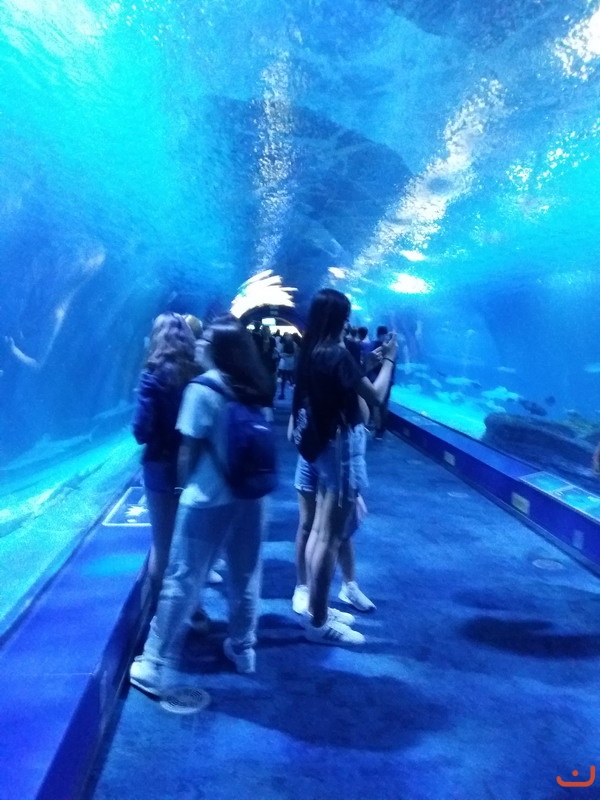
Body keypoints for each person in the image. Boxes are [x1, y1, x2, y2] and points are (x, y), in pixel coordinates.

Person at [130, 318, 273, 694]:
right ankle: (243, 649)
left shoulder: (202, 388)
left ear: (220, 348)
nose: (198, 343)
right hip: (252, 497)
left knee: (183, 575)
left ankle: (153, 662)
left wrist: (180, 487)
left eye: (206, 339)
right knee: (246, 575)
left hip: (207, 498)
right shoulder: (256, 387)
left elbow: (188, 450)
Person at [292, 288, 397, 646]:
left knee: (320, 533)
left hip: (323, 450)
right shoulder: (337, 353)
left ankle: (316, 606)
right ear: (341, 318)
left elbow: (340, 384)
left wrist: (364, 365)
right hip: (341, 452)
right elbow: (376, 396)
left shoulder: (314, 351)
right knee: (330, 538)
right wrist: (389, 361)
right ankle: (319, 622)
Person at [132, 312, 199, 604]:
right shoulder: (196, 373)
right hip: (194, 465)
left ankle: (159, 612)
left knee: (162, 543)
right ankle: (191, 607)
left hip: (160, 465)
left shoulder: (152, 376)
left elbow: (142, 430)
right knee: (189, 541)